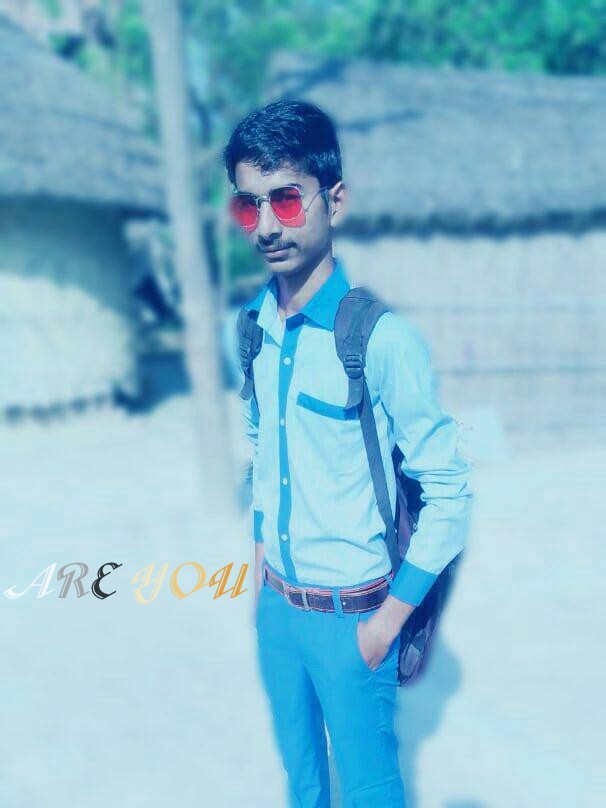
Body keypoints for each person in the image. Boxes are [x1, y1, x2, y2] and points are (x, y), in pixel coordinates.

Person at [222, 100, 473, 808]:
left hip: (354, 620)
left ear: (333, 200)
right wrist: (262, 572)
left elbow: (449, 495)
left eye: (286, 199)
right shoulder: (253, 330)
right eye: (248, 205)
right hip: (277, 612)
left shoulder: (381, 341)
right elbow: (262, 447)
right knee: (302, 785)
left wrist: (385, 624)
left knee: (368, 793)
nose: (267, 225)